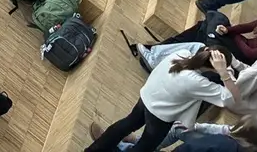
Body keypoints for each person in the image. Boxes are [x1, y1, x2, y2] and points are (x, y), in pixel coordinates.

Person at [83, 45, 244, 152]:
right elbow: (233, 98)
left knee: (125, 124)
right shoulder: (197, 82)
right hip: (159, 117)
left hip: (146, 97)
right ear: (214, 68)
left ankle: (93, 150)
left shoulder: (183, 53)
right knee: (145, 146)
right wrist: (225, 73)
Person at [135, 0, 257, 67]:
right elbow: (248, 26)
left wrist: (232, 35)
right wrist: (228, 29)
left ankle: (157, 53)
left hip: (240, 56)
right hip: (239, 44)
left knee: (212, 21)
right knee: (209, 21)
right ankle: (159, 50)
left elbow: (249, 54)